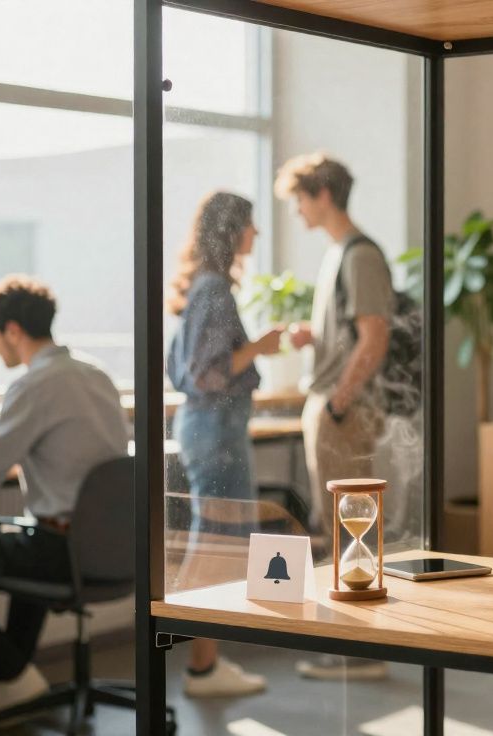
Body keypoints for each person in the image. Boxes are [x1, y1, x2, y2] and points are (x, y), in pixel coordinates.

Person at [0, 277, 128, 727]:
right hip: (114, 548)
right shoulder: (96, 374)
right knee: (27, 534)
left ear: (13, 331)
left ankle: (13, 676)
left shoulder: (35, 384)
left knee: (24, 540)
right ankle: (12, 683)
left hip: (62, 549)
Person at [275, 152, 394, 682]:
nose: (296, 210)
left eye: (300, 198)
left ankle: (359, 651)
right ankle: (352, 643)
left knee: (351, 526)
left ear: (323, 195)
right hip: (332, 404)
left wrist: (338, 402)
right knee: (341, 525)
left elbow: (375, 337)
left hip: (341, 410)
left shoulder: (359, 255)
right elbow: (353, 335)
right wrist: (313, 337)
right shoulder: (338, 255)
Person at [166, 191, 278, 698]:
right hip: (215, 432)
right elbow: (208, 374)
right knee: (218, 545)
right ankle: (203, 668)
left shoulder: (204, 287)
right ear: (233, 230)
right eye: (251, 225)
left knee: (216, 542)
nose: (256, 234)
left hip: (207, 431)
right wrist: (260, 346)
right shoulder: (214, 289)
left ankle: (205, 663)